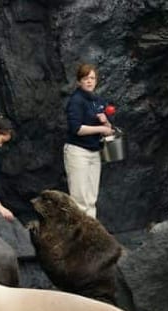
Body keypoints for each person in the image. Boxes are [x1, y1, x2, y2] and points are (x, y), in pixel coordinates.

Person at [64, 63, 115, 219]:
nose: (89, 81)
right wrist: (101, 129)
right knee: (80, 200)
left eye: (92, 78)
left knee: (91, 199)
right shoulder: (76, 100)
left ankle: (91, 234)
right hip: (77, 152)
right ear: (79, 81)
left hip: (95, 152)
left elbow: (109, 127)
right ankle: (79, 237)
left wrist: (105, 121)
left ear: (96, 81)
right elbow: (77, 129)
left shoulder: (98, 100)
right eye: (85, 78)